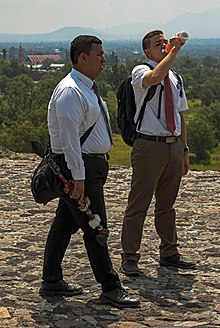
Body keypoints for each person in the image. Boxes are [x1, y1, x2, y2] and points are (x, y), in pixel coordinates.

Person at [39, 35, 140, 308]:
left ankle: (51, 281)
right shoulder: (71, 90)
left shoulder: (86, 87)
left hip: (87, 167)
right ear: (82, 58)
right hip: (78, 169)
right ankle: (110, 287)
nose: (104, 59)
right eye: (99, 54)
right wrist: (79, 178)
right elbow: (70, 139)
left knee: (65, 223)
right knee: (97, 228)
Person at [120, 30, 197, 276]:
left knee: (167, 204)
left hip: (172, 144)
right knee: (138, 204)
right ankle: (130, 256)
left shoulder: (175, 77)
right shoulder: (140, 71)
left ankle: (169, 252)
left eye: (165, 42)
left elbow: (180, 114)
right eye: (158, 44)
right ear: (147, 51)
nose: (164, 46)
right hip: (149, 144)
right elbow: (155, 77)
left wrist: (184, 150)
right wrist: (174, 50)